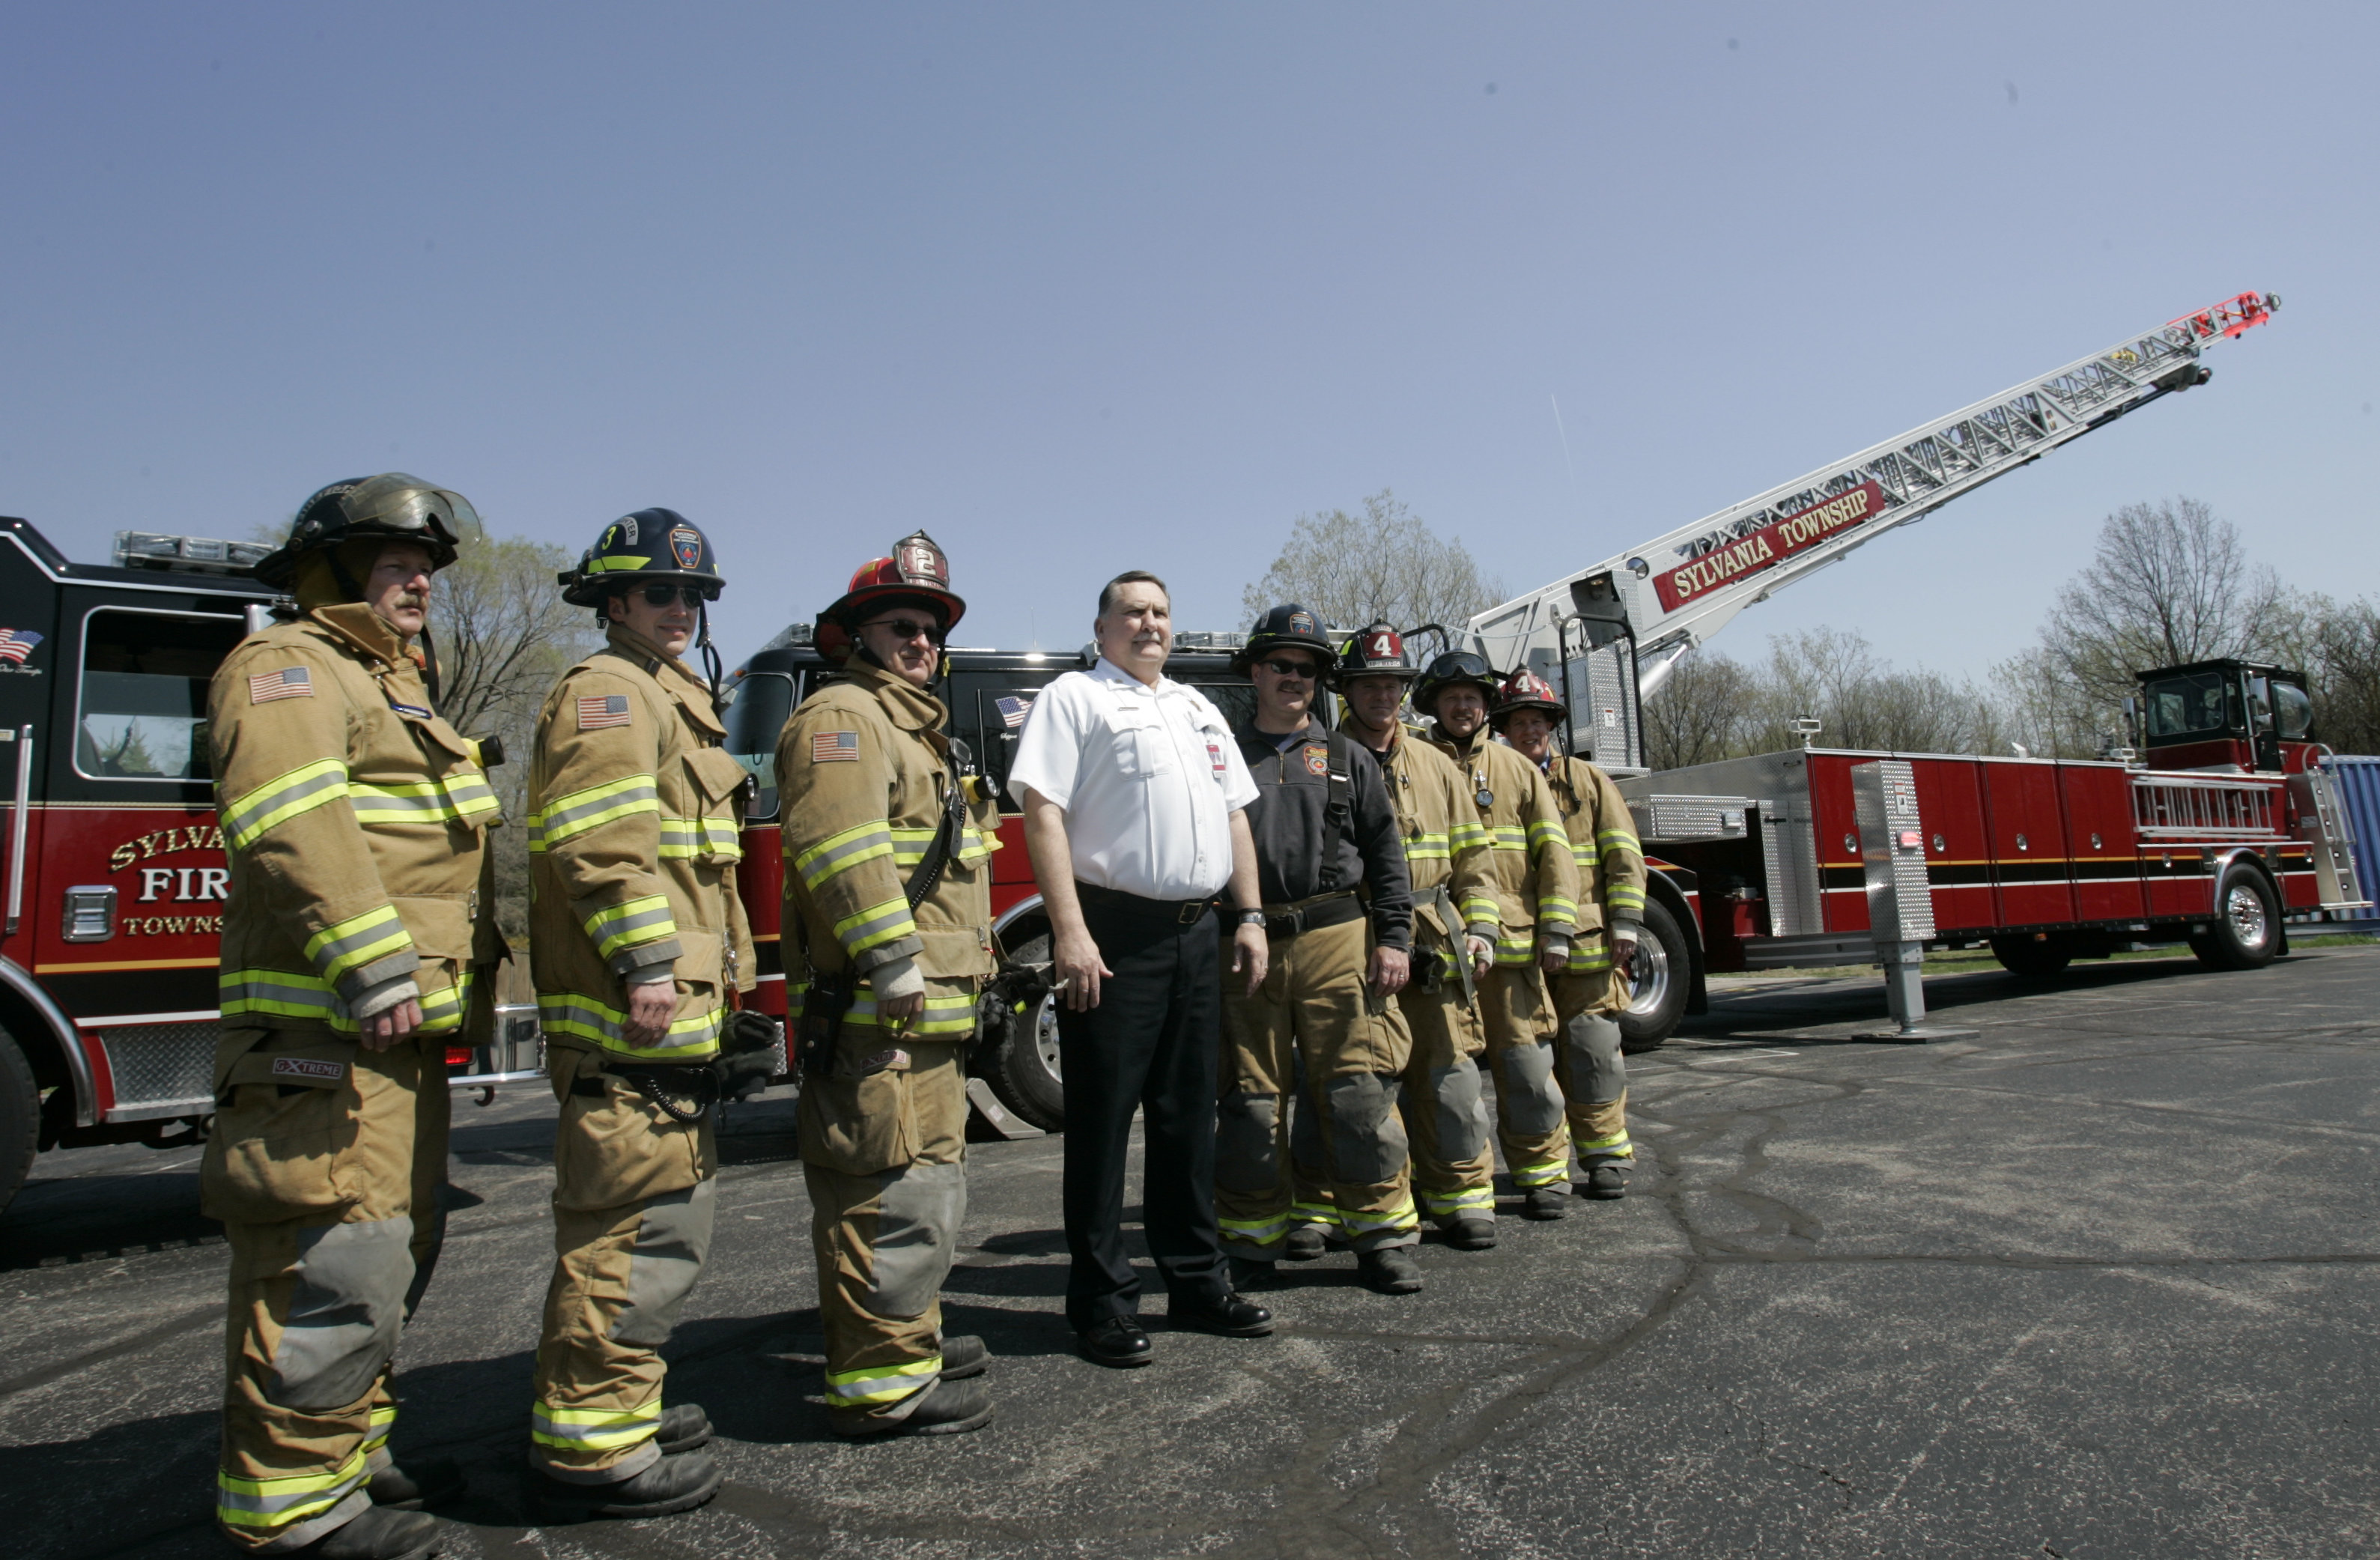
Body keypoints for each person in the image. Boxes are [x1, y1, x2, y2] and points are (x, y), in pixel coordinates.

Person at [204, 475, 504, 1559]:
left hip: (393, 1041)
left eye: (423, 563)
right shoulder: (289, 666)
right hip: (324, 1039)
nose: (418, 577)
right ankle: (293, 1509)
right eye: (391, 560)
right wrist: (376, 969)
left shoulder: (391, 688)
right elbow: (294, 818)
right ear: (326, 574)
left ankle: (348, 1453)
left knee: (385, 1255)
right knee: (325, 1260)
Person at [525, 511, 759, 1521]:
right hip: (632, 1020)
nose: (680, 609)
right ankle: (592, 1446)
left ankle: (621, 1407)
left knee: (663, 1221)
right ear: (614, 603)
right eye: (661, 592)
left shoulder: (672, 697)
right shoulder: (612, 692)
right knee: (625, 1228)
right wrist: (648, 963)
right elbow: (601, 844)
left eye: (694, 596)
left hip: (669, 1020)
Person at [1008, 569, 1276, 1367]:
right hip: (1114, 938)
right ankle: (1100, 1302)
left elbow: (1234, 815)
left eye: (1159, 612)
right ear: (1102, 629)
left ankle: (1197, 1281)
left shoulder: (1197, 709)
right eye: (1132, 613)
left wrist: (1250, 915)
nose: (1148, 625)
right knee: (1100, 1125)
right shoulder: (1074, 699)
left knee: (1187, 1117)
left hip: (1198, 934)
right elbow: (1042, 812)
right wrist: (1070, 931)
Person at [777, 532, 1003, 1433]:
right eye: (900, 626)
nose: (920, 641)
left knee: (926, 1189)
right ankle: (877, 1382)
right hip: (879, 1018)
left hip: (927, 1022)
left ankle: (907, 1335)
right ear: (856, 637)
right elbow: (840, 852)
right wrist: (893, 959)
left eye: (930, 627)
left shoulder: (914, 730)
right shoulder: (844, 721)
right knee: (879, 1196)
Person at [1218, 604, 1421, 1295]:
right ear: (1255, 672)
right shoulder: (1219, 756)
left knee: (1358, 1092)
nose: (1294, 678)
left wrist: (1395, 937)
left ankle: (1383, 1236)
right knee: (1249, 1101)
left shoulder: (1348, 758)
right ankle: (1250, 1240)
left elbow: (1388, 857)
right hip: (1248, 946)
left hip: (1339, 940)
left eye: (1307, 669)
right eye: (1281, 664)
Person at [1327, 625, 1503, 1251]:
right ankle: (1330, 1203)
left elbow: (1475, 859)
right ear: (1345, 689)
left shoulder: (1436, 763)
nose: (1382, 694)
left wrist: (1481, 929)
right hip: (1353, 934)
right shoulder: (1319, 758)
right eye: (1369, 683)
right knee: (1356, 1077)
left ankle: (1460, 1195)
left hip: (1433, 932)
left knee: (1449, 1071)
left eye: (1393, 683)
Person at [1416, 651, 1582, 1221]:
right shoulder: (1411, 762)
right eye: (1452, 698)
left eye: (1473, 698)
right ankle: (1449, 1183)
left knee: (1528, 1068)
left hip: (1511, 952)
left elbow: (1554, 850)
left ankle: (1543, 1174)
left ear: (1488, 706)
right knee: (1444, 1077)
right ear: (1434, 705)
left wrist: (1558, 926)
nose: (1463, 707)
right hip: (1439, 953)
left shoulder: (1516, 769)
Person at [1493, 670, 1649, 1200]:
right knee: (1526, 1062)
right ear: (1503, 730)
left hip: (1587, 945)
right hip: (1520, 948)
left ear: (1553, 725)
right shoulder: (1493, 782)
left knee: (1592, 1051)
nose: (1530, 730)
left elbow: (1623, 854)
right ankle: (1541, 1172)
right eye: (1519, 722)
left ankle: (1604, 1155)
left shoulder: (1587, 781)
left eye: (1538, 720)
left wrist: (1625, 923)